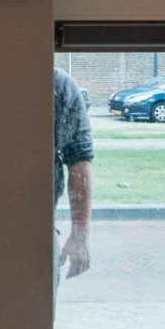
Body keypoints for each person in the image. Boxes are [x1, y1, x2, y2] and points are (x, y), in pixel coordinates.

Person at [54, 68, 94, 286]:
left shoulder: (58, 85)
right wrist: (79, 235)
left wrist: (80, 234)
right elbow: (80, 159)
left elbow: (79, 160)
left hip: (37, 229)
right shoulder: (58, 83)